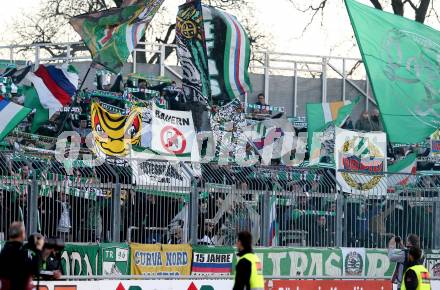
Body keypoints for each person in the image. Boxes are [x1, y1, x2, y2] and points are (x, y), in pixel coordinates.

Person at [0, 222, 44, 290]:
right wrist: (39, 249)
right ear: (22, 234)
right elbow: (35, 269)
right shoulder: (20, 253)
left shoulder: (4, 250)